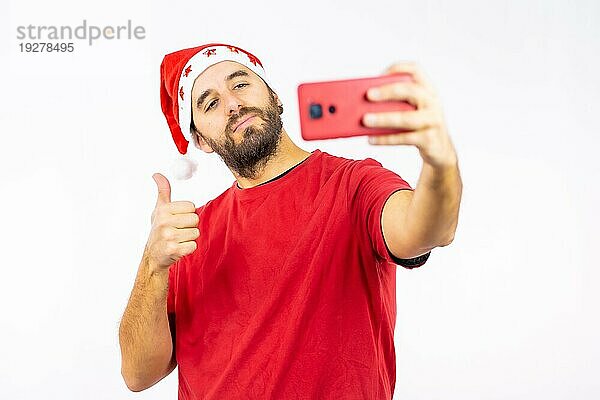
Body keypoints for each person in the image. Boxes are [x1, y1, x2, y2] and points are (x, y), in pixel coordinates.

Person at [118, 43, 462, 399]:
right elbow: (137, 374)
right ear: (201, 140)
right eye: (211, 102)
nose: (233, 104)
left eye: (240, 84)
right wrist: (152, 265)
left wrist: (441, 164)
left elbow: (427, 230)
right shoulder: (189, 234)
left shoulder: (352, 185)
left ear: (274, 96)